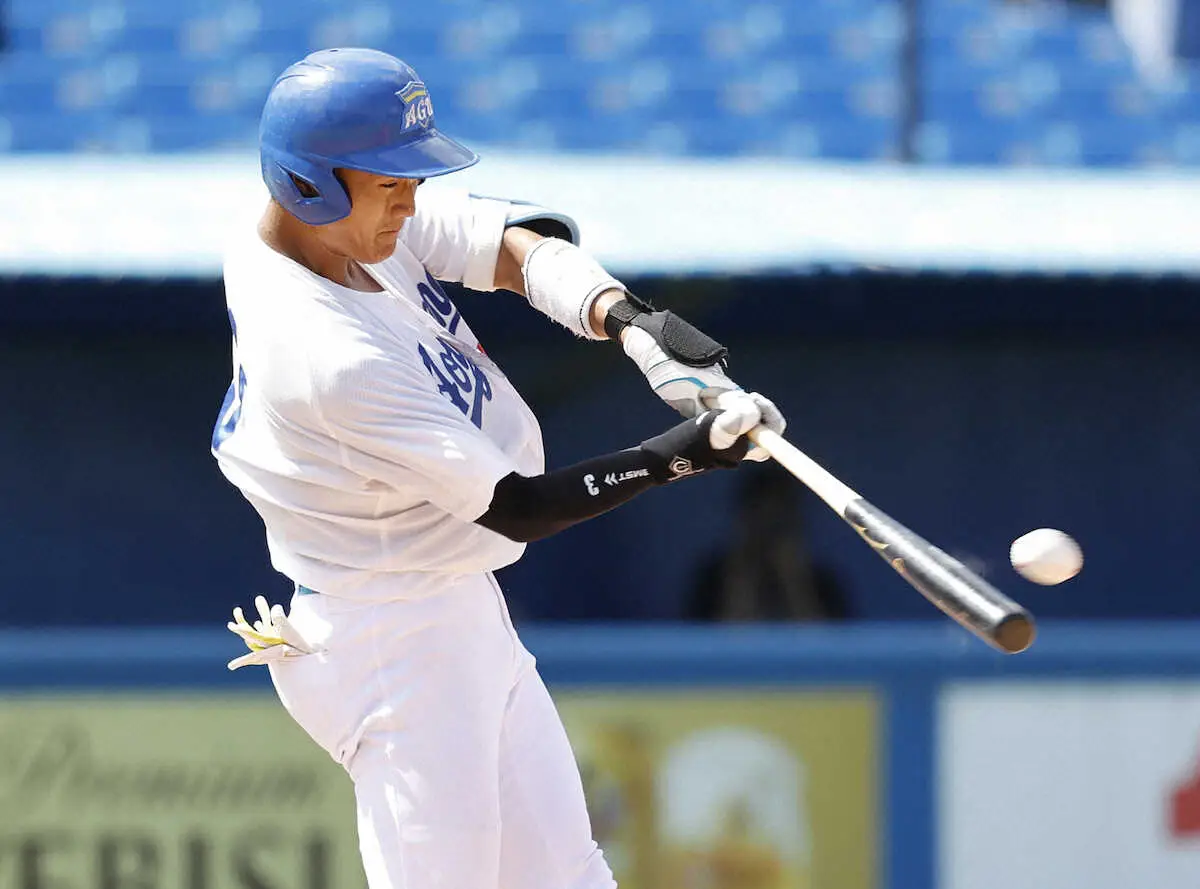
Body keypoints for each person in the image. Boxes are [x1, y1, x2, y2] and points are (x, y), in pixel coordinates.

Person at [214, 48, 785, 889]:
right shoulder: (322, 351)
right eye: (390, 185)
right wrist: (683, 456)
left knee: (571, 875)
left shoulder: (337, 229)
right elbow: (517, 508)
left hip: (451, 604)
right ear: (309, 185)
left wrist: (629, 322)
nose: (410, 206)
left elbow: (514, 245)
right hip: (388, 639)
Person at [686, 464, 850, 622]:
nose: (769, 535)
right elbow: (720, 640)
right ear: (744, 520)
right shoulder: (714, 578)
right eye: (762, 522)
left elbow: (823, 644)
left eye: (779, 523)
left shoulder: (821, 582)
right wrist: (742, 575)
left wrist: (795, 581)